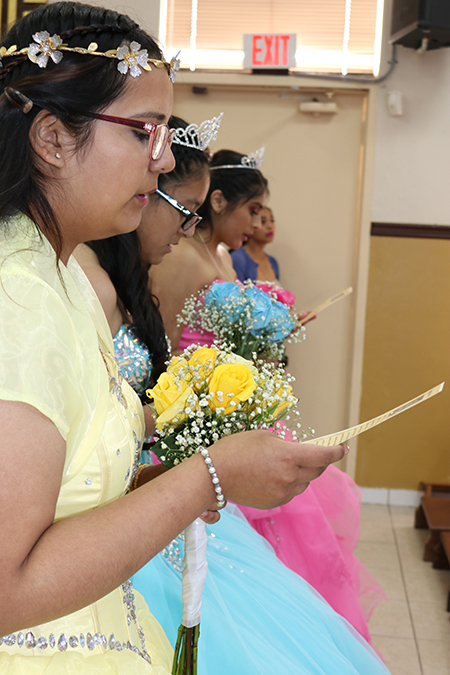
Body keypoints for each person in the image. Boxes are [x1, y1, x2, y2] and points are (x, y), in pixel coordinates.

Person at [0, 6, 349, 673]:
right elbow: (7, 586)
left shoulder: (63, 273)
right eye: (143, 131)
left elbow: (71, 479)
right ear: (50, 138)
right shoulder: (16, 298)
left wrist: (201, 453)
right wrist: (205, 477)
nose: (162, 158)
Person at [77, 116, 390, 674]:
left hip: (145, 469)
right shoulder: (91, 281)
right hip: (117, 495)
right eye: (182, 209)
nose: (190, 226)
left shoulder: (130, 277)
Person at [149, 146, 386, 645]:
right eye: (251, 210)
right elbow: (164, 352)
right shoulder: (178, 261)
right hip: (201, 413)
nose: (256, 223)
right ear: (215, 202)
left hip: (230, 405)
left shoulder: (215, 255)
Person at [231, 205, 280, 283]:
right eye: (263, 222)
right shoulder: (238, 259)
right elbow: (235, 293)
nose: (270, 226)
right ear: (251, 225)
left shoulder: (273, 261)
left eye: (272, 220)